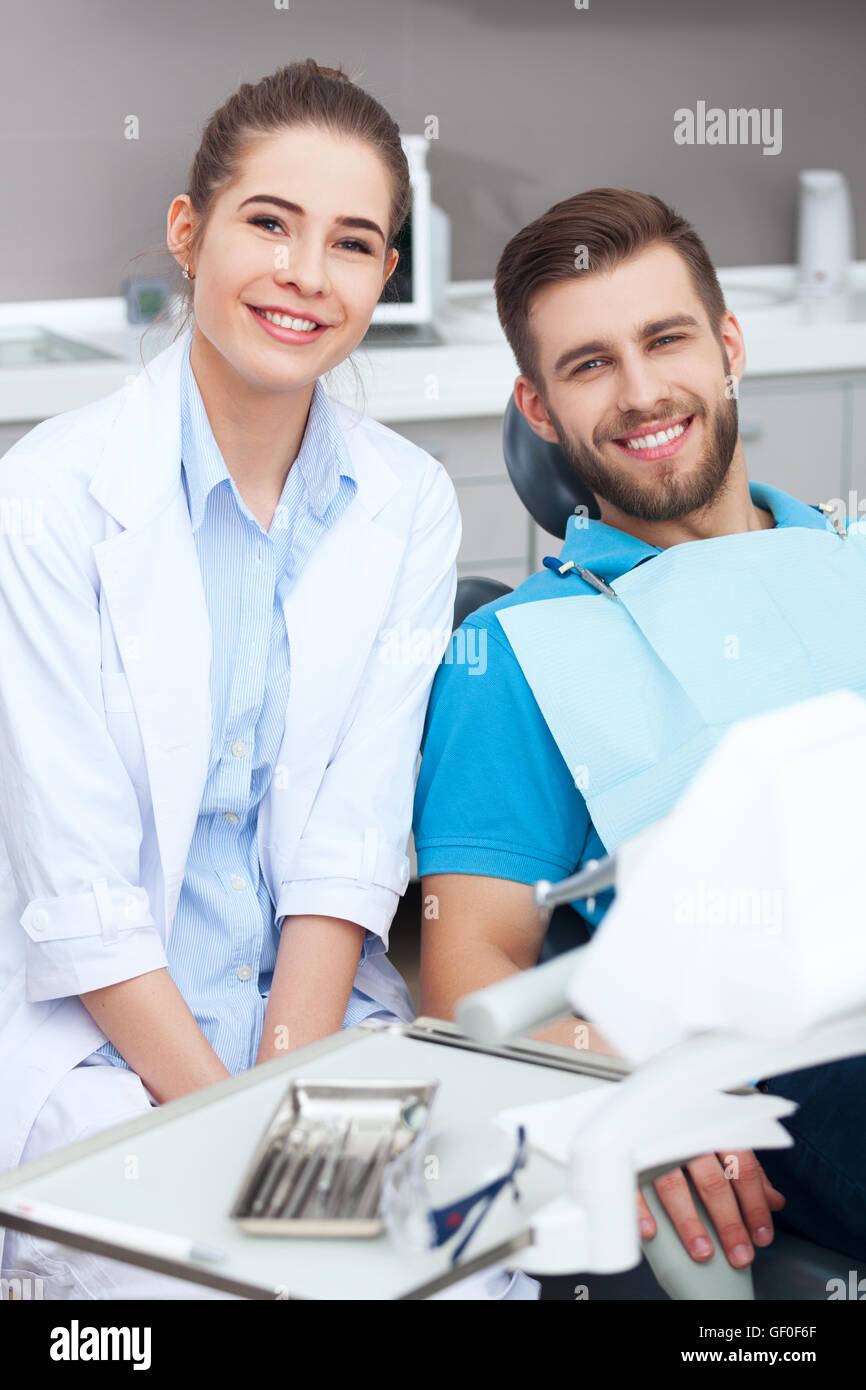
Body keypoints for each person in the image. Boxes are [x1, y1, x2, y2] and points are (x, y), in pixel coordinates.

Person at [0, 59, 534, 1302]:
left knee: (456, 1268)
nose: (306, 275)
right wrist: (229, 1136)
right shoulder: (47, 500)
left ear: (382, 278)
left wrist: (287, 1099)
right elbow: (79, 892)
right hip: (104, 1044)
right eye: (269, 223)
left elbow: (348, 848)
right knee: (206, 1285)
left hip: (319, 1025)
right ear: (189, 234)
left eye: (352, 243)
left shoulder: (403, 504)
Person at [413, 186, 866, 1270]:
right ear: (536, 407)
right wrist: (629, 1091)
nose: (639, 391)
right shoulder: (514, 657)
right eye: (587, 363)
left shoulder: (847, 556)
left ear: (726, 344)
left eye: (664, 339)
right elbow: (463, 971)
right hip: (797, 1081)